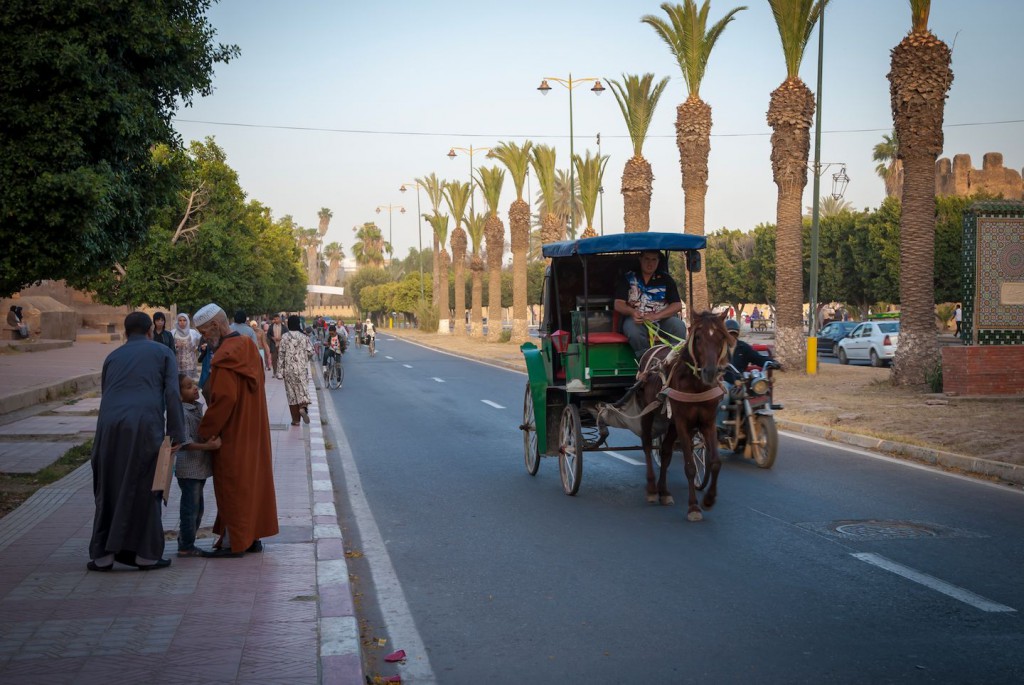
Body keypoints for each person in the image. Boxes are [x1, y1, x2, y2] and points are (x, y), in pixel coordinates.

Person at [88, 311, 185, 571]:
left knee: (108, 485)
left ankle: (103, 555)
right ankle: (146, 554)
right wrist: (176, 433)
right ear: (150, 330)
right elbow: (173, 393)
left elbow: (107, 393)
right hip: (144, 424)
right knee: (146, 485)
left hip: (108, 426)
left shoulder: (112, 357)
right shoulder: (163, 353)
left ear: (126, 331)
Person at [192, 303, 279, 558]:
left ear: (216, 326)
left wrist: (205, 430)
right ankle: (251, 538)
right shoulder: (248, 346)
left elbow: (225, 400)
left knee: (232, 485)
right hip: (254, 428)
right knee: (251, 482)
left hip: (233, 432)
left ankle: (234, 542)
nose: (204, 338)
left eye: (205, 332)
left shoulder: (225, 355)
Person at [174, 374, 221, 557]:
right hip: (189, 470)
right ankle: (186, 545)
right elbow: (185, 443)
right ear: (178, 395)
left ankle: (185, 542)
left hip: (198, 469)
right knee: (190, 510)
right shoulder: (182, 413)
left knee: (197, 509)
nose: (194, 388)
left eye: (193, 384)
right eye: (187, 387)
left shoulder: (196, 409)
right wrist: (208, 446)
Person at [613, 250, 688, 359]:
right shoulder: (628, 278)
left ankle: (673, 360)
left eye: (654, 260)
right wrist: (633, 312)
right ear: (640, 259)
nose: (650, 263)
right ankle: (648, 360)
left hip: (662, 319)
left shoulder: (666, 279)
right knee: (633, 332)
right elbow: (618, 304)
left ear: (658, 261)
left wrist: (656, 316)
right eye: (647, 259)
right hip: (637, 320)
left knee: (679, 326)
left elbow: (677, 305)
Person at [278, 314, 315, 425]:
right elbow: (311, 351)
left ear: (289, 324)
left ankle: (295, 420)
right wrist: (304, 358)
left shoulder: (284, 337)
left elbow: (281, 354)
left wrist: (280, 371)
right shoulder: (304, 337)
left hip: (289, 370)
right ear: (298, 323)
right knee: (302, 391)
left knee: (291, 394)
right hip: (301, 369)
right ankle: (303, 408)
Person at [723, 319, 773, 387]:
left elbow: (758, 358)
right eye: (729, 334)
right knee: (724, 395)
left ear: (737, 334)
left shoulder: (743, 347)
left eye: (734, 334)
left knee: (755, 392)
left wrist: (772, 362)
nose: (731, 336)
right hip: (724, 382)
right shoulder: (719, 348)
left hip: (740, 382)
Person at [173, 312, 201, 380]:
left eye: (184, 320)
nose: (182, 322)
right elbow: (169, 346)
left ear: (187, 321)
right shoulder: (173, 332)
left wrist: (198, 348)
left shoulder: (193, 332)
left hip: (190, 364)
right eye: (180, 320)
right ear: (177, 321)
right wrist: (175, 345)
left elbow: (202, 339)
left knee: (189, 381)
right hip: (178, 363)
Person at [267, 314, 285, 379]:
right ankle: (274, 372)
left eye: (277, 319)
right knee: (274, 359)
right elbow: (268, 335)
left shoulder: (284, 327)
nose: (276, 320)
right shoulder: (271, 327)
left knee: (281, 359)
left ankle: (281, 372)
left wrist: (282, 337)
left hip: (281, 345)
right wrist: (272, 338)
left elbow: (287, 334)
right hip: (273, 345)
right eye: (275, 319)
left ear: (280, 319)